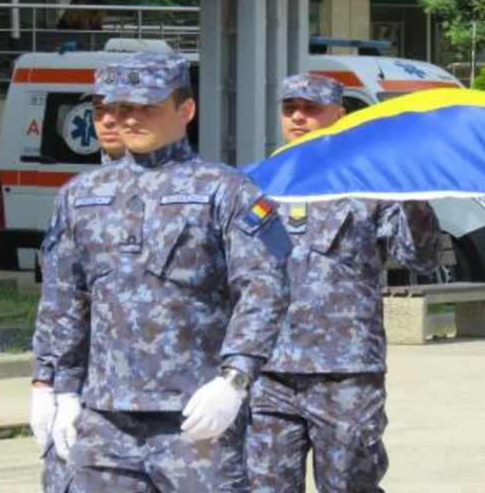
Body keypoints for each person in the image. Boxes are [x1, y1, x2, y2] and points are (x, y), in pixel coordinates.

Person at [42, 52, 291, 491]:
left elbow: (265, 289)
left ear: (186, 110)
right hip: (104, 417)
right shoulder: (81, 195)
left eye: (145, 107)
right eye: (119, 108)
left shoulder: (226, 190)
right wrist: (56, 389)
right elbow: (64, 299)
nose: (128, 119)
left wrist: (234, 380)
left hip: (195, 416)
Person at [244, 73, 443, 493]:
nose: (299, 117)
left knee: (350, 485)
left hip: (345, 371)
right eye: (290, 108)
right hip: (269, 370)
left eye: (311, 109)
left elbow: (421, 258)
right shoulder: (259, 185)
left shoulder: (371, 185)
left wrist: (411, 192)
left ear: (339, 114)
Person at [30, 65, 125, 492]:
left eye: (121, 109)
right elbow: (59, 297)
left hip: (166, 392)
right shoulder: (78, 195)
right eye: (101, 109)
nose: (107, 120)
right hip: (81, 385)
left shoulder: (207, 190)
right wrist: (44, 382)